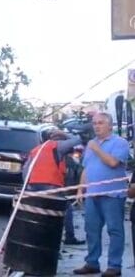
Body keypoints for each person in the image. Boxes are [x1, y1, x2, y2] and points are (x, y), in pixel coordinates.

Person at [73, 112, 132, 277]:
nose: (96, 126)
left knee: (114, 230)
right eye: (94, 123)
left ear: (109, 126)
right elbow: (87, 168)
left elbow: (113, 163)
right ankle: (92, 263)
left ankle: (114, 266)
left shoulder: (120, 143)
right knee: (91, 229)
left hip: (113, 195)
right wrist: (80, 189)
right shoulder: (91, 144)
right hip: (93, 194)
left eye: (100, 123)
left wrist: (96, 148)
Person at [21, 129, 83, 244]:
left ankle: (34, 239)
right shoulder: (57, 146)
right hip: (51, 186)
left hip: (33, 185)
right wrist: (64, 134)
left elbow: (26, 170)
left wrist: (28, 186)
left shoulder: (36, 150)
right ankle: (67, 238)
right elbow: (78, 139)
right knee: (64, 209)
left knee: (37, 212)